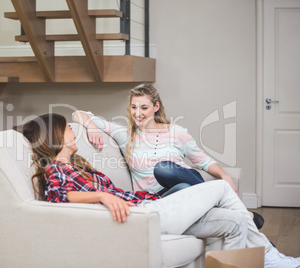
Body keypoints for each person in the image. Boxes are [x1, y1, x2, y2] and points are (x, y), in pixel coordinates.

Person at [22, 113, 300, 268]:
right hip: (143, 216)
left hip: (153, 208)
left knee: (237, 221)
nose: (72, 129)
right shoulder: (54, 169)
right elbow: (59, 198)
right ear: (56, 137)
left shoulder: (78, 164)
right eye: (66, 128)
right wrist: (102, 195)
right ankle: (277, 261)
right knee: (219, 189)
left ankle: (268, 257)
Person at [72, 83, 264, 229]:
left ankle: (225, 201)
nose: (137, 114)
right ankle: (241, 213)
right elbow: (78, 114)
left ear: (156, 107)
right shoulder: (124, 134)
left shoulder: (177, 132)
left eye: (144, 108)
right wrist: (90, 126)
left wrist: (224, 176)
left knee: (165, 169)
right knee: (182, 187)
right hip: (161, 198)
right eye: (133, 107)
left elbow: (203, 161)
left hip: (187, 180)